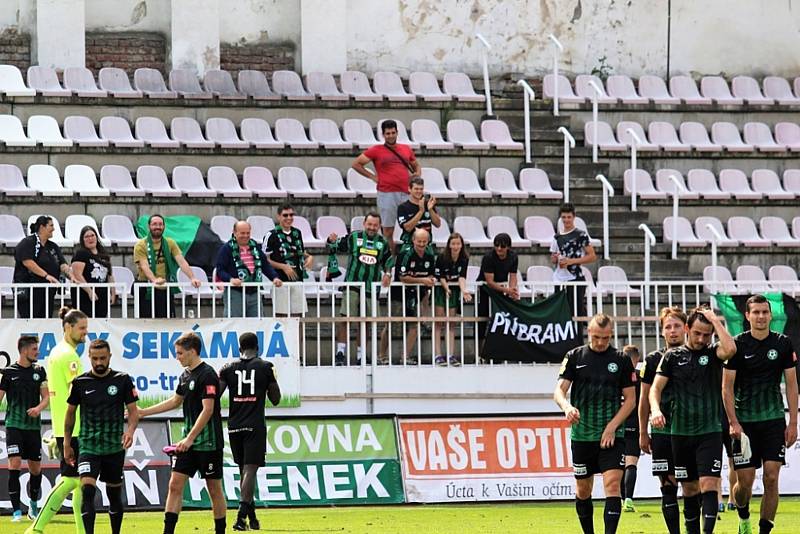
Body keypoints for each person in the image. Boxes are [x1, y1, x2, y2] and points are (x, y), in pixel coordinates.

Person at [650, 306, 736, 534]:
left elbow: (730, 348)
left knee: (708, 484)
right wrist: (656, 410)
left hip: (709, 432)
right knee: (689, 489)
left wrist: (715, 321)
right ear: (687, 329)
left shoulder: (713, 353)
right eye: (697, 333)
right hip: (680, 433)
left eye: (706, 335)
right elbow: (655, 389)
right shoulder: (671, 357)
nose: (701, 339)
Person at [722, 294, 798, 534]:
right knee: (744, 484)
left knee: (772, 478)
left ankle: (764, 530)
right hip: (744, 424)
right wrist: (733, 422)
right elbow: (727, 387)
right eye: (756, 312)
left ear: (770, 315)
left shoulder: (783, 344)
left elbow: (792, 385)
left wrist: (793, 422)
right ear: (747, 316)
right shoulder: (737, 345)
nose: (761, 316)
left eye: (765, 312)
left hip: (774, 421)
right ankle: (743, 516)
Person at [554, 314, 636, 534]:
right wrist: (567, 407)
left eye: (606, 338)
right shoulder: (574, 356)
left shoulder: (621, 359)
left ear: (611, 335)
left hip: (612, 436)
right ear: (589, 333)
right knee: (583, 490)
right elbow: (559, 391)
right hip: (582, 435)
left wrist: (612, 427)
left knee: (612, 485)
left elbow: (631, 400)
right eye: (597, 337)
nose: (601, 342)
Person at [139, 332, 226, 534]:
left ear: (192, 351)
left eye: (179, 353)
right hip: (188, 444)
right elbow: (175, 401)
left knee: (213, 489)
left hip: (208, 443)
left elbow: (208, 410)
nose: (177, 357)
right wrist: (144, 412)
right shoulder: (185, 375)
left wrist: (190, 438)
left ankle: (220, 531)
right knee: (175, 485)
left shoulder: (208, 374)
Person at [64, 339, 139, 534]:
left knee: (114, 494)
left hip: (114, 446)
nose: (99, 362)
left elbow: (133, 411)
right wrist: (66, 442)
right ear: (88, 357)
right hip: (88, 445)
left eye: (103, 358)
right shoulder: (80, 383)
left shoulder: (123, 380)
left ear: (109, 357)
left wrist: (130, 431)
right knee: (87, 490)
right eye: (95, 358)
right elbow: (70, 413)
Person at [27, 307, 88, 534]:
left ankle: (82, 531)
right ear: (68, 327)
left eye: (86, 329)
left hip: (67, 427)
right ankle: (36, 527)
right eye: (81, 329)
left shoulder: (57, 353)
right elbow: (77, 393)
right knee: (70, 481)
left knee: (81, 482)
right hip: (75, 428)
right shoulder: (69, 356)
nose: (85, 333)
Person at [218, 332, 281, 531]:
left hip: (234, 425)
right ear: (258, 347)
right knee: (250, 471)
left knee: (244, 472)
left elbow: (215, 395)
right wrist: (271, 379)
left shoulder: (228, 368)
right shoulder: (265, 367)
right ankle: (240, 517)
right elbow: (276, 398)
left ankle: (252, 520)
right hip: (255, 425)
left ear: (239, 348)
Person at [638, 306, 687, 534]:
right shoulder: (652, 360)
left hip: (691, 432)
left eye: (677, 326)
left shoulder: (696, 355)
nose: (673, 331)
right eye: (668, 327)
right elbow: (644, 399)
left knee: (691, 487)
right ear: (662, 332)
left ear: (686, 328)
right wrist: (642, 432)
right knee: (667, 487)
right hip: (661, 433)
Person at [326, 211, 393, 366]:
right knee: (346, 319)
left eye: (375, 225)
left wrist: (388, 274)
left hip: (371, 289)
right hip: (352, 284)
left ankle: (361, 355)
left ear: (379, 226)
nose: (372, 227)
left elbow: (389, 262)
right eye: (369, 224)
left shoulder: (382, 243)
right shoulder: (354, 237)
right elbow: (335, 246)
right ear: (364, 224)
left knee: (367, 323)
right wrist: (331, 240)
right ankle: (340, 353)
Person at [352, 119, 421, 253]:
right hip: (387, 193)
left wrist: (417, 175)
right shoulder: (376, 150)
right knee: (388, 229)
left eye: (393, 132)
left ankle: (410, 258)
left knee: (412, 228)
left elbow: (416, 165)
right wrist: (372, 177)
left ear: (397, 133)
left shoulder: (405, 148)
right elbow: (356, 164)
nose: (390, 136)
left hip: (406, 193)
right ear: (383, 134)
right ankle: (390, 258)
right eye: (387, 133)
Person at [0, 335, 48, 521]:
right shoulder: (9, 373)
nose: (37, 352)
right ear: (24, 350)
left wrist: (38, 408)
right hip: (13, 425)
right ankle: (16, 512)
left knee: (35, 469)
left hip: (33, 428)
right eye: (34, 349)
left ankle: (33, 506)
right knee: (15, 463)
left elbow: (46, 397)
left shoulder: (39, 371)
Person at [133, 214, 201, 318]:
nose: (158, 227)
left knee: (167, 322)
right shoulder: (141, 245)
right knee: (146, 323)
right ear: (149, 227)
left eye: (160, 224)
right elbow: (144, 266)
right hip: (147, 288)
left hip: (165, 287)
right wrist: (154, 280)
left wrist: (192, 277)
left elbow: (181, 261)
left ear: (164, 227)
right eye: (154, 224)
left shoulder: (170, 242)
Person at [215, 220, 282, 317]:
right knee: (234, 323)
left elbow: (265, 265)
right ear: (234, 232)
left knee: (257, 323)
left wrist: (274, 277)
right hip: (235, 292)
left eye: (248, 233)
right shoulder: (226, 248)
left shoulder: (255, 247)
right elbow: (220, 270)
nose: (245, 236)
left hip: (254, 291)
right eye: (242, 233)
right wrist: (231, 279)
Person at [14, 215, 76, 318]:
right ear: (42, 227)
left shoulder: (53, 246)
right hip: (30, 293)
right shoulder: (28, 242)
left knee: (45, 321)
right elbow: (28, 262)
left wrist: (71, 276)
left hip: (48, 293)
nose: (54, 229)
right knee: (31, 321)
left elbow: (62, 264)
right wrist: (46, 275)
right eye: (51, 225)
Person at [393, 229, 436, 364]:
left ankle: (404, 357)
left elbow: (430, 274)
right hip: (399, 295)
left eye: (424, 241)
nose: (422, 244)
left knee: (414, 326)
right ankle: (381, 356)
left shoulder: (429, 254)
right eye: (419, 241)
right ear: (413, 241)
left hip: (417, 294)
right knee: (391, 327)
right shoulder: (405, 254)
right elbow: (402, 277)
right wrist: (423, 280)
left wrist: (429, 279)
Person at [264, 204, 313, 316]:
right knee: (282, 316)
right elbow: (265, 260)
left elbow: (299, 251)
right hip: (280, 281)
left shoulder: (297, 233)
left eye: (291, 215)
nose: (289, 218)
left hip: (297, 279)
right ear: (278, 217)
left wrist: (309, 257)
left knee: (299, 316)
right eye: (285, 215)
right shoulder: (271, 235)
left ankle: (299, 335)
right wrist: (283, 267)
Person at [550, 203, 596, 321]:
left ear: (573, 217)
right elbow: (553, 258)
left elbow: (592, 256)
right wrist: (555, 259)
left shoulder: (580, 235)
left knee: (576, 313)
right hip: (560, 278)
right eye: (564, 217)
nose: (566, 220)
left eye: (569, 217)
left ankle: (578, 339)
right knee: (560, 312)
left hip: (575, 277)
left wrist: (571, 261)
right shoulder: (557, 237)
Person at [433, 232, 471, 366]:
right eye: (453, 244)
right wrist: (446, 288)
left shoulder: (464, 259)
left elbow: (462, 277)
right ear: (449, 245)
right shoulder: (442, 257)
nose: (455, 246)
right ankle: (437, 355)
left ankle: (450, 355)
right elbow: (441, 276)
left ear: (462, 245)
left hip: (454, 290)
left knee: (451, 323)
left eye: (458, 244)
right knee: (439, 322)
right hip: (441, 290)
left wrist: (464, 290)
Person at [477, 233, 519, 347]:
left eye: (503, 246)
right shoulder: (488, 257)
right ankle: (480, 351)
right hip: (485, 289)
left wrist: (512, 290)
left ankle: (498, 350)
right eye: (497, 245)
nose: (499, 249)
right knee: (482, 319)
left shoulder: (513, 256)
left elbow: (513, 276)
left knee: (501, 319)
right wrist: (508, 290)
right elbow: (489, 282)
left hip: (501, 289)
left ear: (508, 247)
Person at [71, 226, 116, 318]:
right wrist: (89, 291)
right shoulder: (80, 254)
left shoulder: (104, 255)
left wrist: (113, 292)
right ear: (82, 240)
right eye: (86, 237)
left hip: (102, 295)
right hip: (84, 295)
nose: (90, 238)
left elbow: (110, 275)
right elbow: (77, 275)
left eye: (92, 235)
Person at [620, 344, 642, 512]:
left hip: (617, 425)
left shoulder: (615, 376)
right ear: (637, 360)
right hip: (634, 424)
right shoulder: (640, 379)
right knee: (631, 463)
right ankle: (628, 499)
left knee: (618, 465)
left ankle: (621, 499)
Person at [396, 176, 441, 248]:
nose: (419, 191)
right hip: (410, 245)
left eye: (421, 189)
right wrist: (420, 212)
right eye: (416, 189)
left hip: (427, 244)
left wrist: (430, 210)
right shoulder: (403, 207)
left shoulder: (428, 204)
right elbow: (407, 228)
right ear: (409, 189)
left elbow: (438, 224)